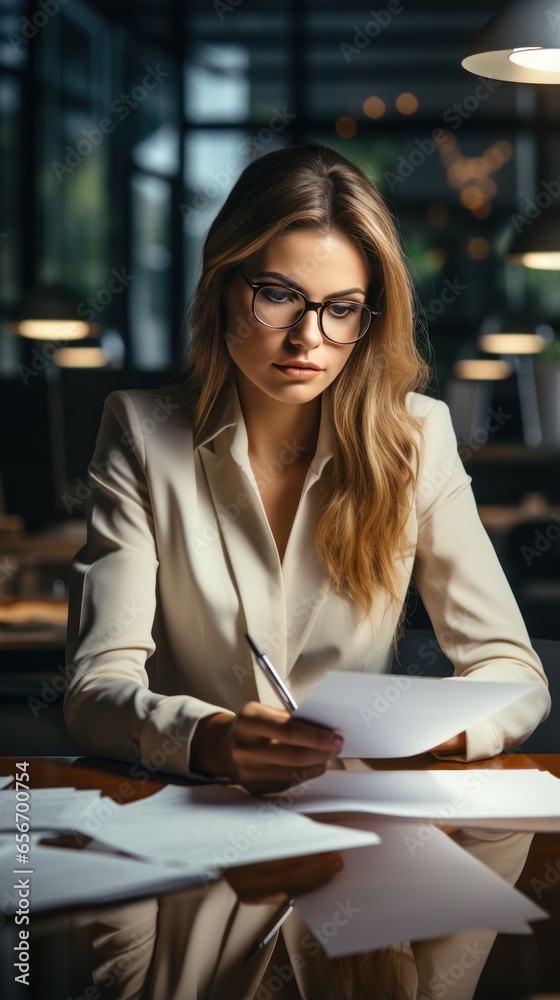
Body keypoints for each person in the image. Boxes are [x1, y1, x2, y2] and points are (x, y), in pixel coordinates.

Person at [64, 143, 551, 794]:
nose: (309, 338)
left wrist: (426, 731)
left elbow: (513, 671)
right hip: (192, 822)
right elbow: (95, 689)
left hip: (361, 829)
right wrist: (209, 739)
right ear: (221, 288)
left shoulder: (417, 436)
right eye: (278, 295)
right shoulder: (141, 431)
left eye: (342, 308)